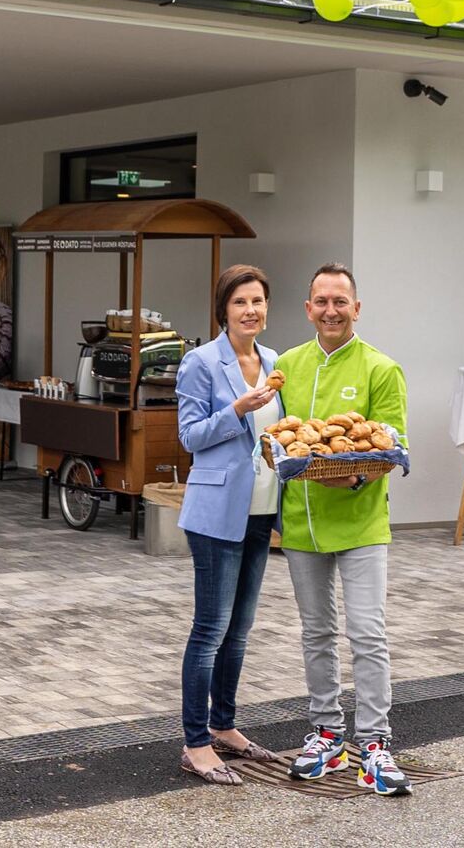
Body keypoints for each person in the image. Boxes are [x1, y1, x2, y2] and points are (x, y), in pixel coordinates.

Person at [274, 263, 412, 796]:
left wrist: (352, 477)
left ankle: (374, 744)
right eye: (321, 301)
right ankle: (327, 734)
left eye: (341, 301)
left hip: (361, 523)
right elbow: (281, 441)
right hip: (303, 523)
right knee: (316, 634)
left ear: (357, 308)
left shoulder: (382, 369)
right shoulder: (287, 365)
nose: (331, 310)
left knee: (368, 635)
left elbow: (393, 449)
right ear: (308, 309)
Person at [173, 264, 282, 785]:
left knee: (239, 631)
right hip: (216, 514)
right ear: (223, 310)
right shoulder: (200, 362)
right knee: (210, 630)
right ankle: (195, 742)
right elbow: (190, 436)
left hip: (261, 509)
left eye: (258, 301)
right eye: (241, 302)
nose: (251, 310)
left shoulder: (274, 361)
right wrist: (239, 407)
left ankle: (225, 725)